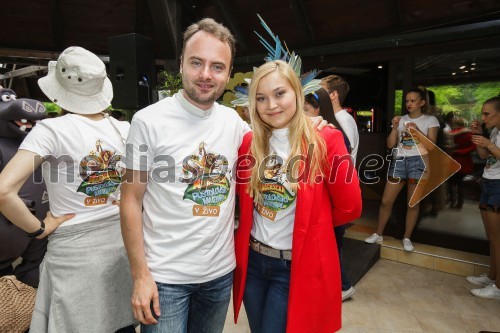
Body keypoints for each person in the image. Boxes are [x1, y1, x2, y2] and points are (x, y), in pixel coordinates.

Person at [120, 18, 250, 333]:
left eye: (217, 67)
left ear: (228, 73)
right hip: (165, 279)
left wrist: (312, 125)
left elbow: (275, 144)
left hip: (219, 275)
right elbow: (130, 200)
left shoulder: (234, 122)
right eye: (197, 63)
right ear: (181, 64)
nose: (206, 75)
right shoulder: (148, 121)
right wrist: (140, 276)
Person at [0, 46, 135, 332]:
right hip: (121, 249)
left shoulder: (50, 131)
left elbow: (3, 191)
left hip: (75, 258)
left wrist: (38, 229)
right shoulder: (124, 129)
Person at [232, 60, 362, 333]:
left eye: (280, 93)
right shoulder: (249, 143)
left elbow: (350, 207)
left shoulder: (326, 139)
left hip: (294, 266)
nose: (271, 105)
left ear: (297, 93)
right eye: (261, 98)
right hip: (254, 263)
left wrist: (315, 224)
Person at [365, 87, 440, 251]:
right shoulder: (400, 119)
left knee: (412, 204)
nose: (409, 103)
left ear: (422, 102)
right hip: (399, 161)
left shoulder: (430, 120)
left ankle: (407, 237)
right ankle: (378, 233)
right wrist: (394, 127)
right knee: (386, 201)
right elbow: (390, 144)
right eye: (407, 101)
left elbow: (432, 146)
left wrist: (417, 131)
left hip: (419, 163)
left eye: (413, 101)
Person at [320, 76, 359, 300]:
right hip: (336, 188)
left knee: (333, 243)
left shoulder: (341, 119)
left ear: (333, 95)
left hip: (337, 190)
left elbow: (344, 157)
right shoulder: (338, 118)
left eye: (321, 91)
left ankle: (343, 286)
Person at [468, 96, 500, 299]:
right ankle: (492, 276)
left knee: (498, 239)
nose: (483, 117)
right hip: (488, 181)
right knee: (491, 237)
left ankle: (498, 288)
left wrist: (488, 143)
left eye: (487, 114)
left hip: (498, 185)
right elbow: (482, 156)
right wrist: (479, 137)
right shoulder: (495, 131)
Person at [447, 117, 475, 209]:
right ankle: (459, 203)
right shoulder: (469, 134)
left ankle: (452, 202)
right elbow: (473, 146)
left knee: (451, 183)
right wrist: (462, 151)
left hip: (451, 160)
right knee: (460, 184)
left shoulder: (449, 134)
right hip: (464, 161)